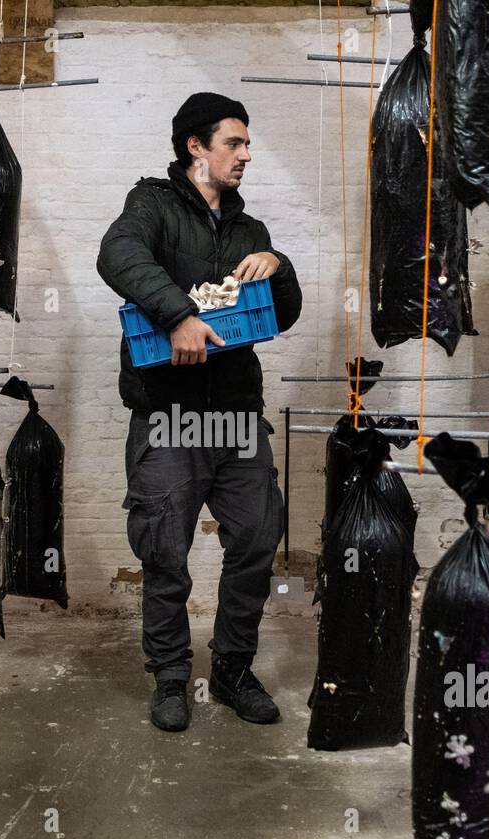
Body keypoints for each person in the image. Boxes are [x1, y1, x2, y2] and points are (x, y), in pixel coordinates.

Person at [96, 92, 302, 732]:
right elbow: (118, 255)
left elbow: (282, 312)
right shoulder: (152, 205)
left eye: (246, 144)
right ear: (196, 147)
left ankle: (234, 669)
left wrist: (280, 265)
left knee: (257, 540)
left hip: (237, 417)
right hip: (168, 416)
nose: (245, 154)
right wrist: (178, 314)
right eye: (234, 143)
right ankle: (172, 677)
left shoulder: (248, 229)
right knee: (164, 551)